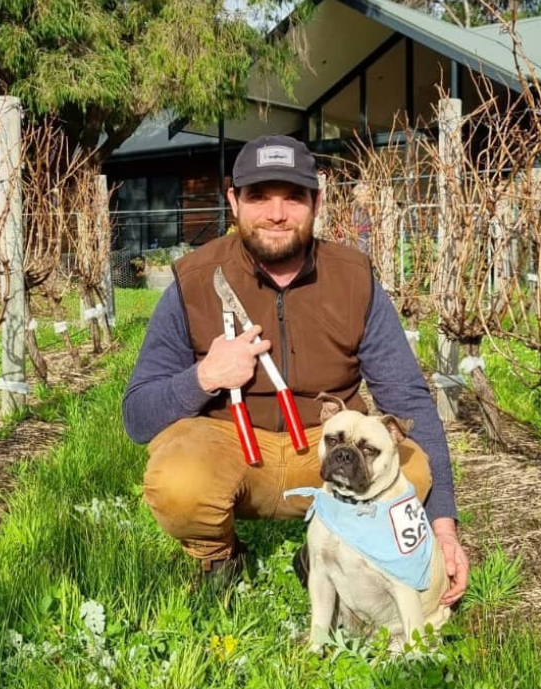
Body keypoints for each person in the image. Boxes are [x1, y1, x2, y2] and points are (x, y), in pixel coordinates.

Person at [121, 134, 468, 607]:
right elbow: (138, 416)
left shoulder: (353, 277)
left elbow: (407, 398)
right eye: (259, 196)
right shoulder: (194, 281)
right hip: (231, 450)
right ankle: (221, 559)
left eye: (293, 197)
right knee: (178, 482)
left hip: (327, 449)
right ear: (233, 202)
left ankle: (328, 552)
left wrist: (444, 528)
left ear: (317, 201)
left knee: (416, 469)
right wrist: (205, 376)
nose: (277, 213)